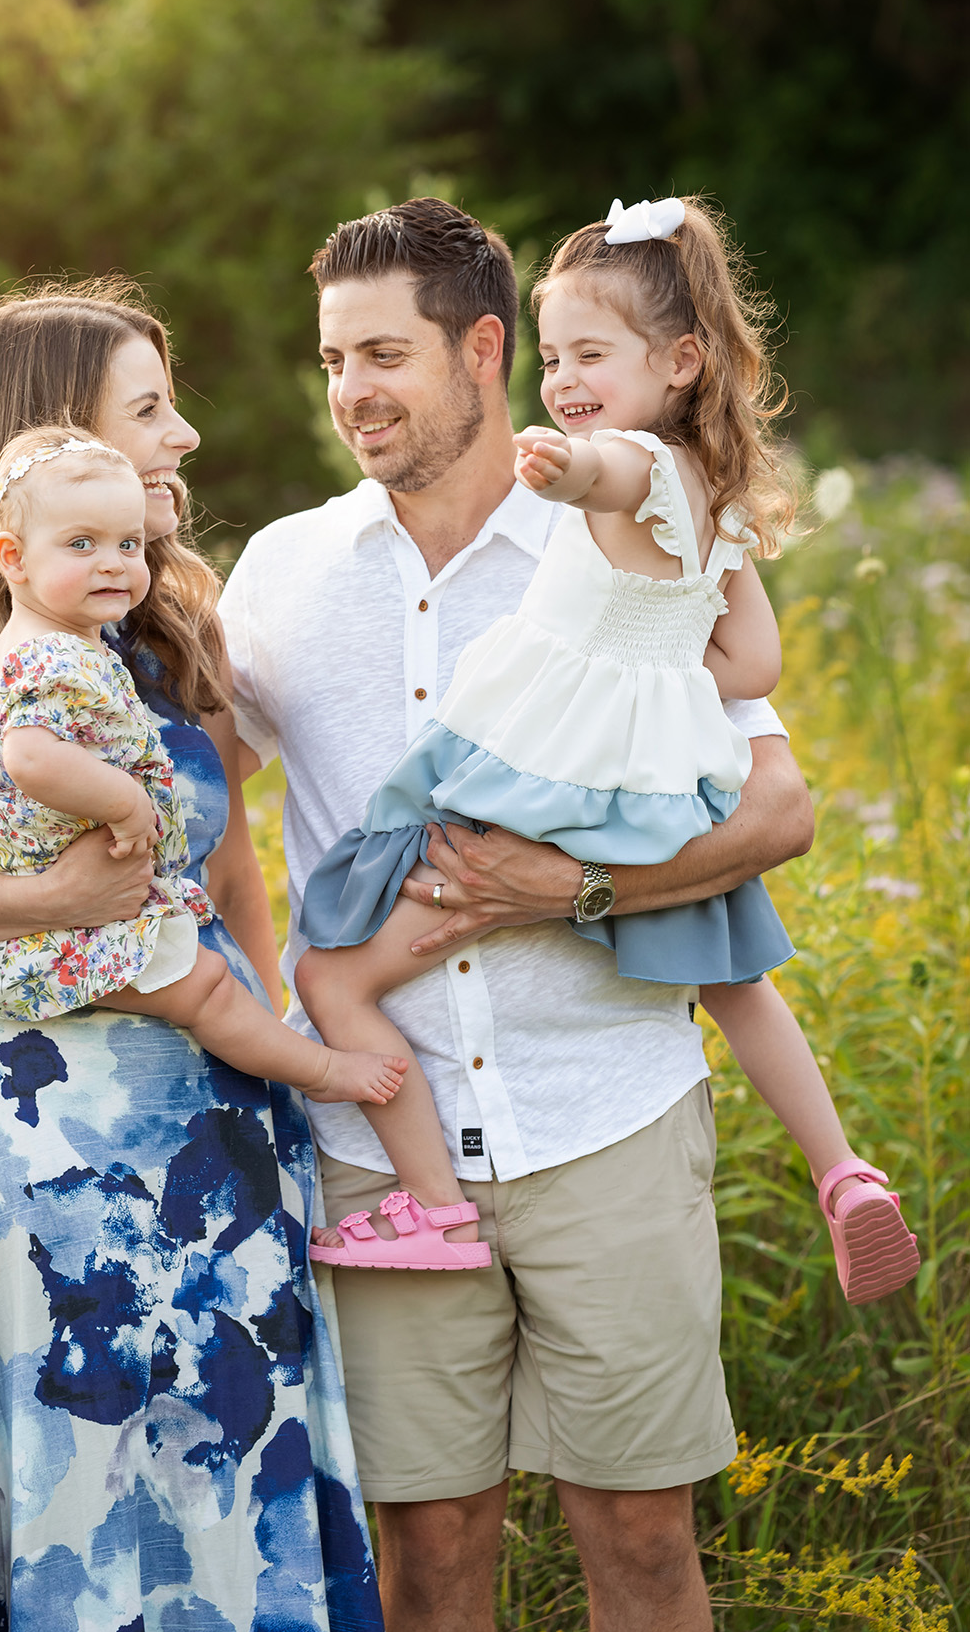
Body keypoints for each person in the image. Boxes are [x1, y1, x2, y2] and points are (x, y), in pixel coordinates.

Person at [218, 196, 818, 1632]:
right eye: (331, 360)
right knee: (426, 1557)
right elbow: (197, 810)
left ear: (484, 349)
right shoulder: (284, 573)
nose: (350, 390)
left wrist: (573, 890)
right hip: (380, 1146)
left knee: (641, 1539)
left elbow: (772, 808)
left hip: (600, 1106)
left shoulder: (621, 535)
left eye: (381, 354)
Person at [0, 284, 385, 1632]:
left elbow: (229, 871)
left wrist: (282, 1047)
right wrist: (50, 892)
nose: (186, 438)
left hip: (224, 1130)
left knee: (238, 1487)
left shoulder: (177, 616)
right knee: (90, 1499)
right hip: (46, 1136)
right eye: (149, 409)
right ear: (55, 435)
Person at [294, 195, 918, 1308]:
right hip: (655, 778)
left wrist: (561, 470)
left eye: (593, 354)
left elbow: (611, 476)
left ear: (678, 360)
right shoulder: (720, 488)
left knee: (338, 964)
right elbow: (755, 659)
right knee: (735, 980)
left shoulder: (620, 458)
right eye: (559, 355)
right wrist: (656, 672)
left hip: (537, 767)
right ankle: (841, 1170)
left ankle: (428, 1202)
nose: (565, 379)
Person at [0, 422, 403, 1178]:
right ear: (13, 558)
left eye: (129, 546)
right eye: (83, 545)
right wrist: (126, 804)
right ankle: (327, 1075)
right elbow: (30, 755)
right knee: (205, 992)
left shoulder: (40, 640)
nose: (114, 564)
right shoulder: (54, 654)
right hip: (42, 920)